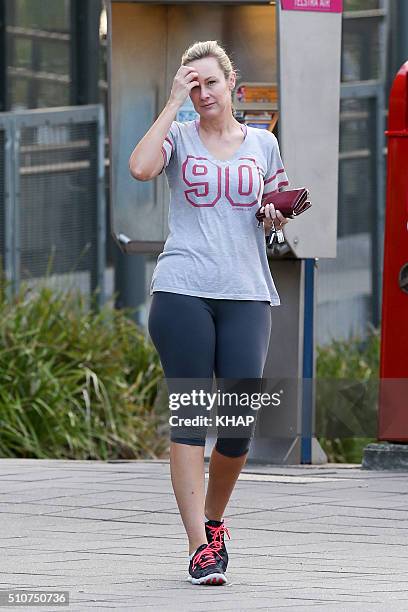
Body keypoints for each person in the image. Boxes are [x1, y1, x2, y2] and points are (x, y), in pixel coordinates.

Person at [129, 40, 289, 586]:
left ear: (232, 84)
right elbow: (140, 168)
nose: (203, 93)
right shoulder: (176, 136)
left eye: (209, 83)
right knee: (193, 416)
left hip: (246, 290)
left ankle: (214, 520)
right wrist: (172, 103)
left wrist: (273, 214)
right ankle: (199, 546)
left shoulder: (263, 144)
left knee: (240, 421)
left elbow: (279, 206)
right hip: (182, 290)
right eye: (191, 85)